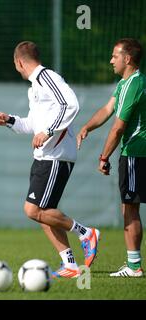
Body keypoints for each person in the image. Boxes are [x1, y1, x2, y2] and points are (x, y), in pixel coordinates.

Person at [0, 41, 100, 278]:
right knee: (43, 211)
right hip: (44, 155)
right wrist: (9, 120)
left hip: (57, 155)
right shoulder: (34, 88)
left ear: (19, 62)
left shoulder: (47, 77)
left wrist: (49, 132)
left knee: (33, 210)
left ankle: (86, 233)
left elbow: (70, 104)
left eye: (15, 65)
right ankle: (71, 264)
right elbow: (32, 125)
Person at [77, 38, 145, 277]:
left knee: (130, 208)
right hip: (137, 153)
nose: (111, 60)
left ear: (127, 59)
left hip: (136, 153)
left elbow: (118, 128)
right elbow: (107, 110)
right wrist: (87, 127)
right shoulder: (125, 84)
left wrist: (103, 157)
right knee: (131, 207)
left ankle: (135, 267)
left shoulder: (133, 84)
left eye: (115, 56)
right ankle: (134, 265)